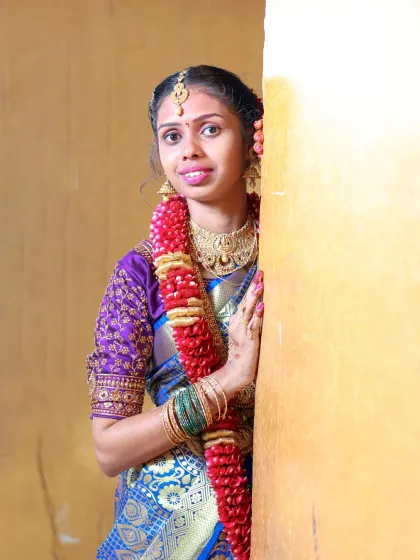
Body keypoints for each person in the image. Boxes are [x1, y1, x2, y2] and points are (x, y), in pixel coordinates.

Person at [87, 65, 265, 560]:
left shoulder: (292, 254)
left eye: (210, 129)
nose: (189, 150)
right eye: (172, 136)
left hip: (279, 501)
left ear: (253, 137)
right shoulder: (138, 275)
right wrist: (225, 383)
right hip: (170, 524)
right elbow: (109, 449)